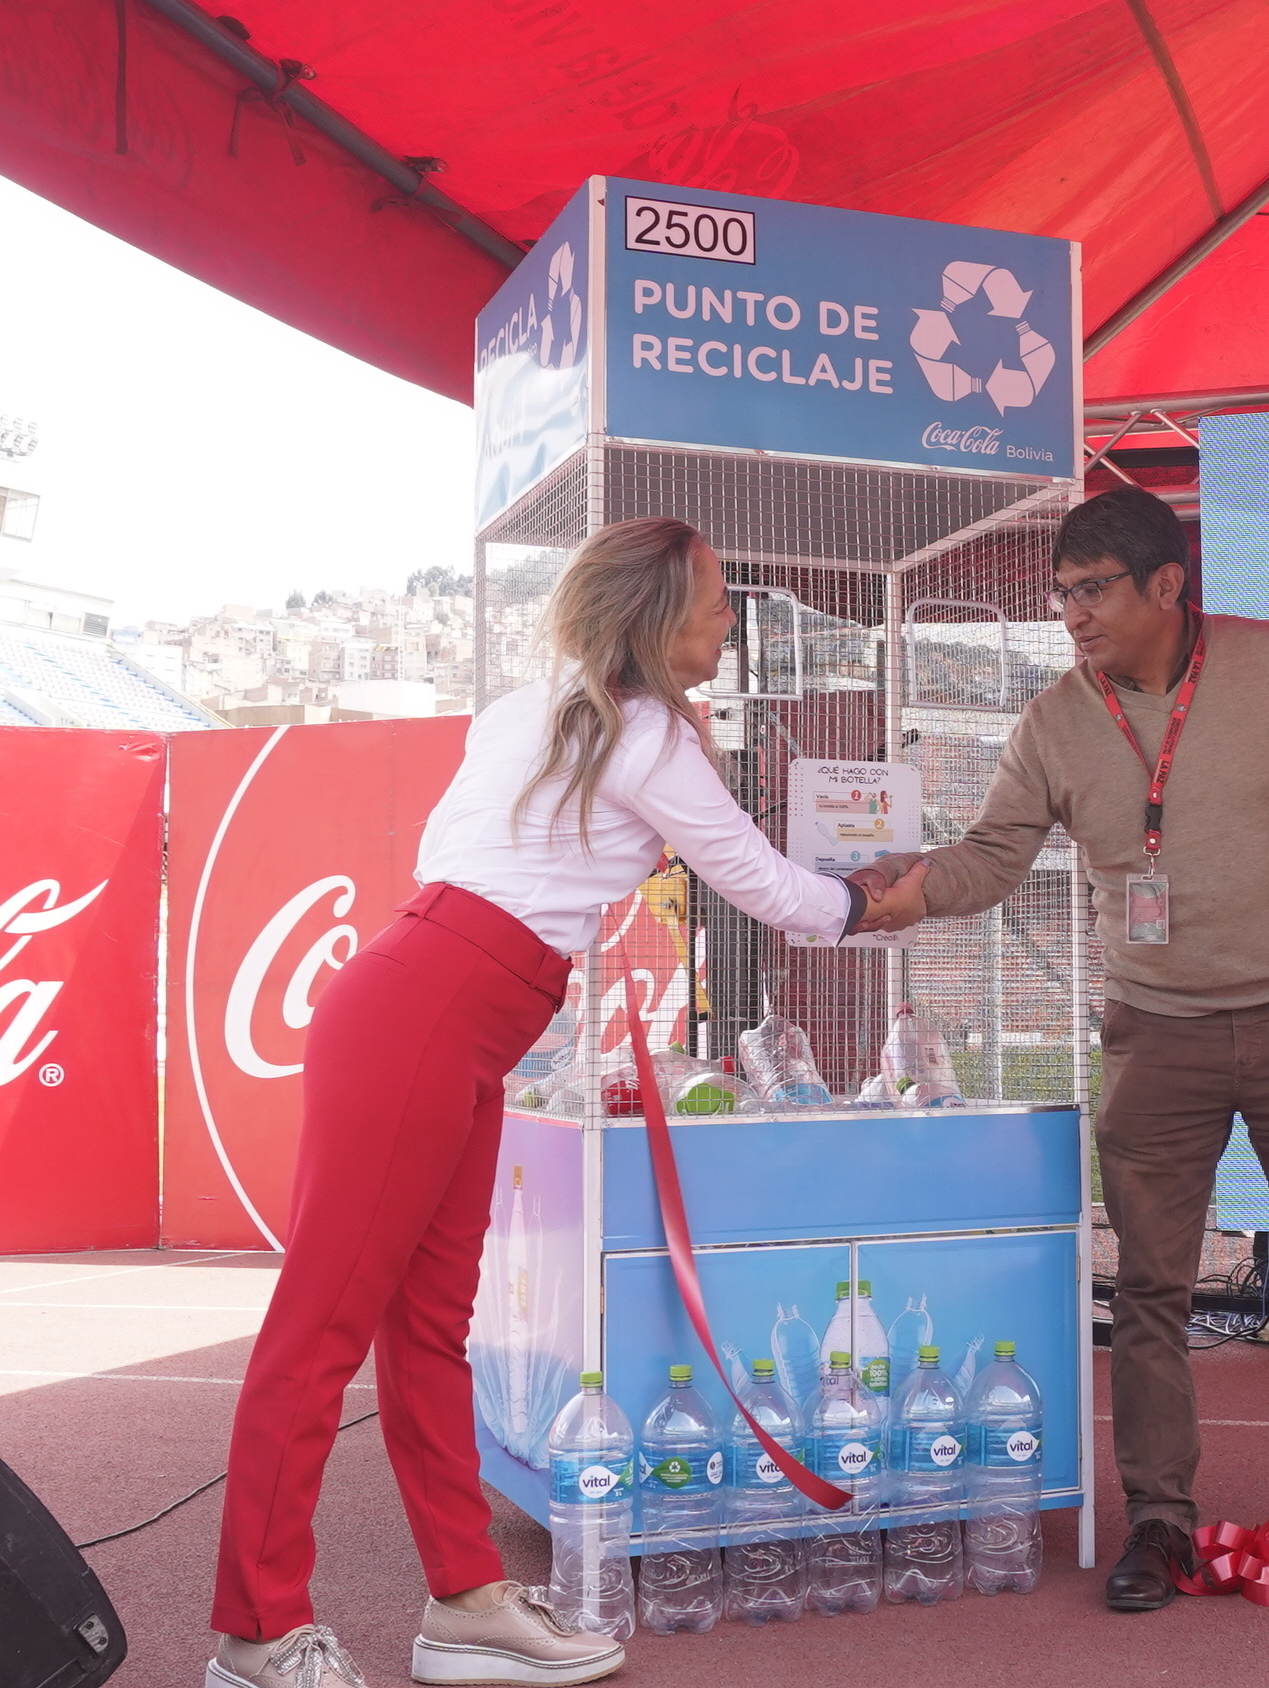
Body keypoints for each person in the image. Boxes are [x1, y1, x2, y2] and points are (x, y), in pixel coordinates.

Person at [206, 517, 929, 1688]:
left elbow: (463, 853)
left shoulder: (526, 711)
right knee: (320, 1325)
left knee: (429, 1325)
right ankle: (257, 1631)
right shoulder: (648, 737)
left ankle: (464, 1603)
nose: (728, 618)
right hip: (431, 1009)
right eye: (713, 599)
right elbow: (763, 886)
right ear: (656, 616)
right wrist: (871, 901)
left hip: (437, 1000)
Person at [850, 484, 1269, 1611]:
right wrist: (905, 889)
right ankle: (1159, 1518)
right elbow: (994, 854)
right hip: (1155, 1033)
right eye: (1062, 592)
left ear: (1167, 585)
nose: (1072, 614)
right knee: (1149, 1288)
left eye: (1093, 590)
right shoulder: (1054, 719)